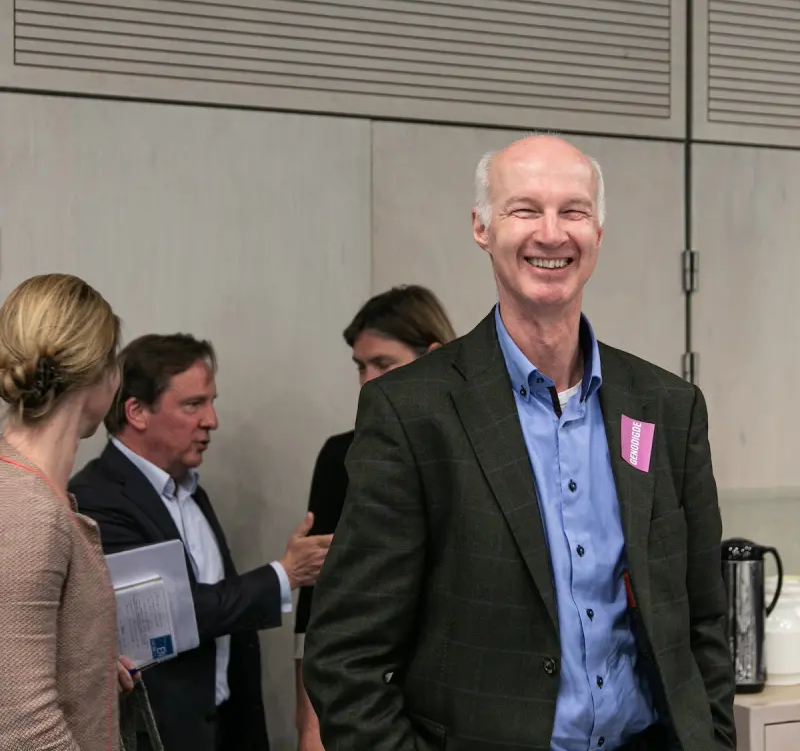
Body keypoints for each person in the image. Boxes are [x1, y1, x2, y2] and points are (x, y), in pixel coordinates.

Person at [303, 136, 737, 751]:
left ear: (599, 234)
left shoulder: (667, 408)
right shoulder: (412, 412)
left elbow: (701, 620)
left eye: (574, 211)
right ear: (482, 227)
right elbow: (346, 655)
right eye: (525, 209)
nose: (552, 233)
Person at [69, 333, 332, 751]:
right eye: (194, 405)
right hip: (165, 736)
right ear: (136, 411)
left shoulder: (190, 489)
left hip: (228, 726)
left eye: (212, 402)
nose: (212, 420)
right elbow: (172, 614)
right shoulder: (96, 497)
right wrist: (285, 574)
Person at [294, 285, 457, 750]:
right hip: (374, 702)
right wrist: (310, 724)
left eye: (383, 365)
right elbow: (318, 601)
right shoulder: (341, 456)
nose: (368, 380)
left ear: (434, 357)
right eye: (361, 367)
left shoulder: (484, 453)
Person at [0, 273, 136, 751]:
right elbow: (22, 732)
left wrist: (89, 663)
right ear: (102, 373)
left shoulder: (31, 497)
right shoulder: (26, 513)